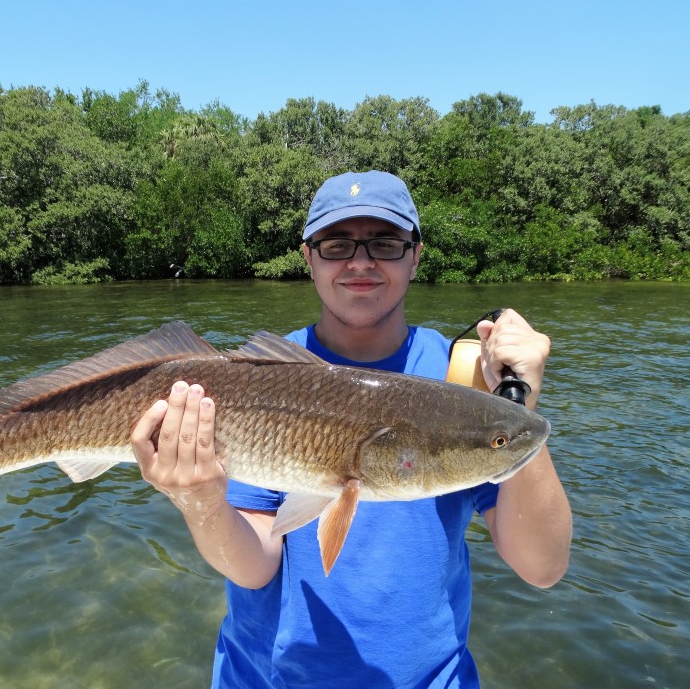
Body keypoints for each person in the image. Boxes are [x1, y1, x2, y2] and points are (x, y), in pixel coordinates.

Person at [130, 170, 572, 688]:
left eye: (384, 244)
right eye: (337, 244)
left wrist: (515, 407)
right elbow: (255, 566)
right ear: (308, 258)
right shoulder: (253, 382)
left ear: (416, 256)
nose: (360, 262)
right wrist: (200, 502)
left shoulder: (466, 383)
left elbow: (543, 567)